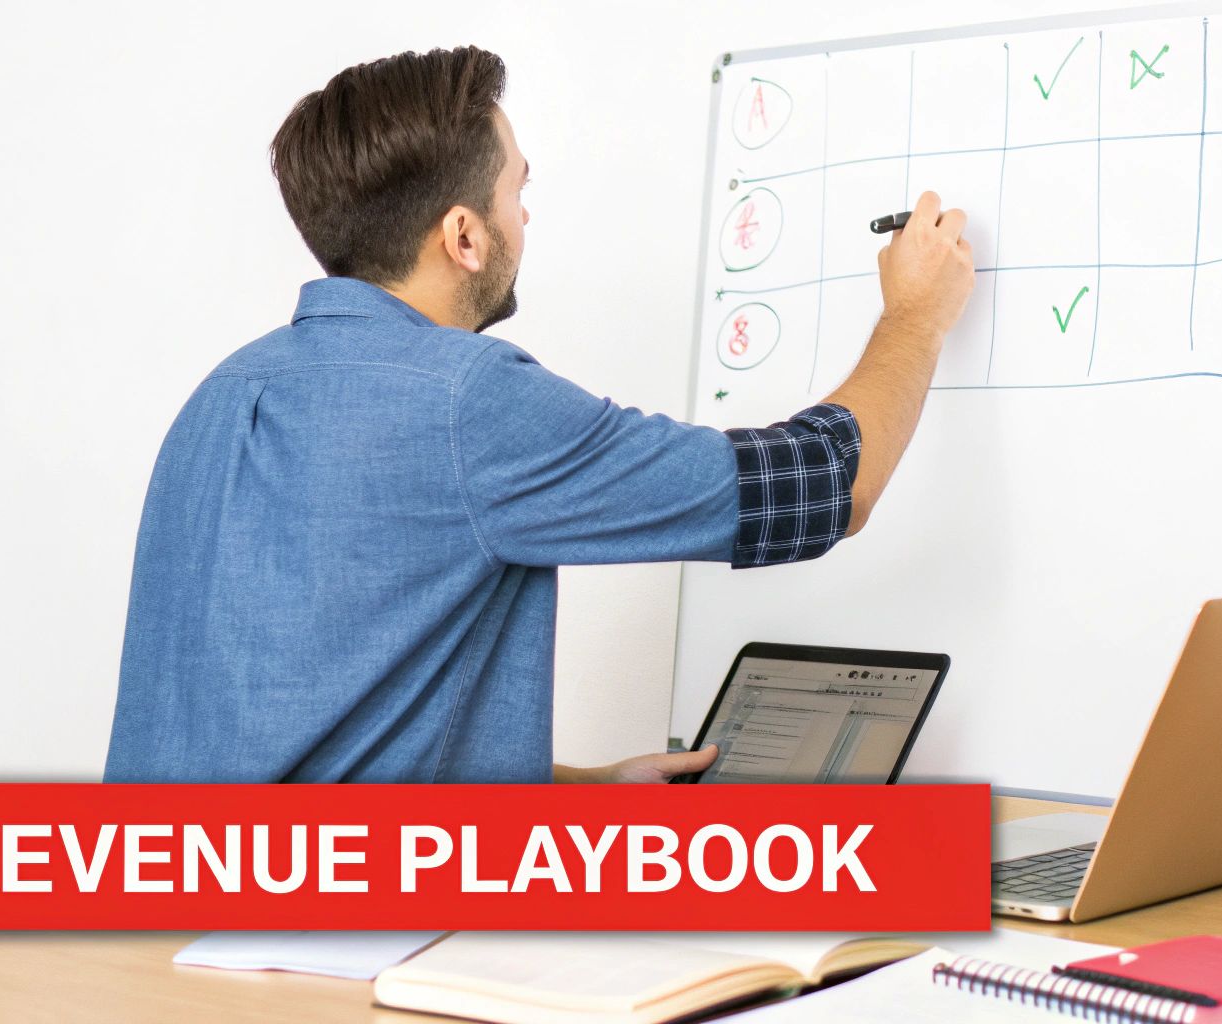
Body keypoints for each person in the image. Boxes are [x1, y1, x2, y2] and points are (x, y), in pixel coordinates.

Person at [103, 45, 973, 785]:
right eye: (517, 189)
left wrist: (582, 790)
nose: (525, 214)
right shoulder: (464, 400)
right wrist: (916, 316)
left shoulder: (221, 396)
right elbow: (827, 485)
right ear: (464, 236)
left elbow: (297, 732)